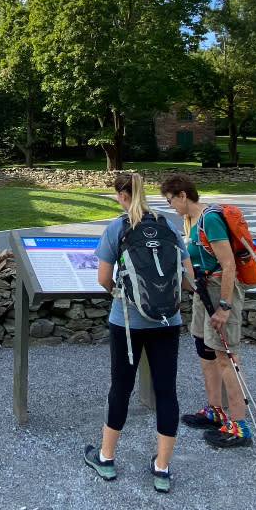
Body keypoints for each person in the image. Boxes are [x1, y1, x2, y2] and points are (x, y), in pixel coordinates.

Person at [84, 172, 190, 493]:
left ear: (122, 195)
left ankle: (106, 458)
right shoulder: (167, 225)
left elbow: (103, 277)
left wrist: (119, 293)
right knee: (166, 391)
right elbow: (187, 277)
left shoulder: (117, 228)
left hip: (127, 322)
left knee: (121, 387)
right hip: (167, 321)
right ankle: (161, 467)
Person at [160, 173, 252, 448]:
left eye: (171, 200)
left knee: (226, 356)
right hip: (203, 292)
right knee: (204, 349)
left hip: (219, 293)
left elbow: (229, 265)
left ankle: (239, 425)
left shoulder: (210, 219)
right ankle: (215, 410)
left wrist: (224, 307)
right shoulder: (192, 221)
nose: (170, 206)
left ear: (183, 195)